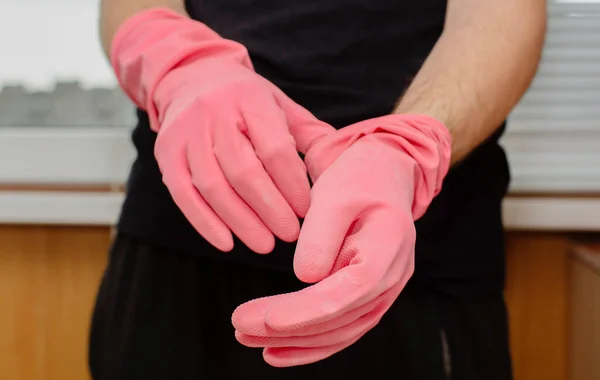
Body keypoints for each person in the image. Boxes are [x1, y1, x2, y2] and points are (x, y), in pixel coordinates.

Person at [88, 0, 546, 379]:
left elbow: (502, 15)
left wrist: (407, 146)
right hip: (178, 242)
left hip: (408, 266)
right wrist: (181, 65)